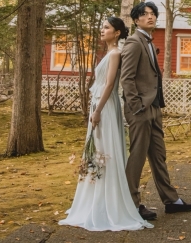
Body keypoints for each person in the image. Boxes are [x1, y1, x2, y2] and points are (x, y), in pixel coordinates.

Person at [58, 17, 153, 231]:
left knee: (104, 149)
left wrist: (98, 110)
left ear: (117, 32)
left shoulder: (116, 53)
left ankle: (108, 202)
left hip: (106, 107)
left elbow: (110, 84)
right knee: (96, 151)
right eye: (103, 27)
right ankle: (94, 199)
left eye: (107, 27)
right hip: (98, 104)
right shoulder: (109, 52)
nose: (102, 30)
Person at [121, 1, 191, 221]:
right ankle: (131, 204)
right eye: (145, 14)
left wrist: (153, 106)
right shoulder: (134, 43)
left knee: (158, 156)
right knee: (137, 157)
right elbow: (127, 79)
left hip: (154, 108)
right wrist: (137, 108)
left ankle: (171, 200)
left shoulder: (150, 44)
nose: (150, 17)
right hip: (140, 110)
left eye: (153, 13)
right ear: (136, 20)